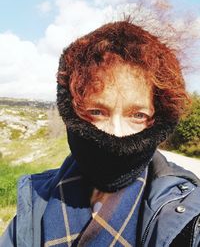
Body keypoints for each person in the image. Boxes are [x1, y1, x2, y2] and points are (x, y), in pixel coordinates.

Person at [1, 20, 200, 247]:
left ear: (158, 119)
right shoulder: (36, 203)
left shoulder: (187, 214)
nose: (116, 133)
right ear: (72, 113)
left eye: (137, 115)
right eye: (97, 112)